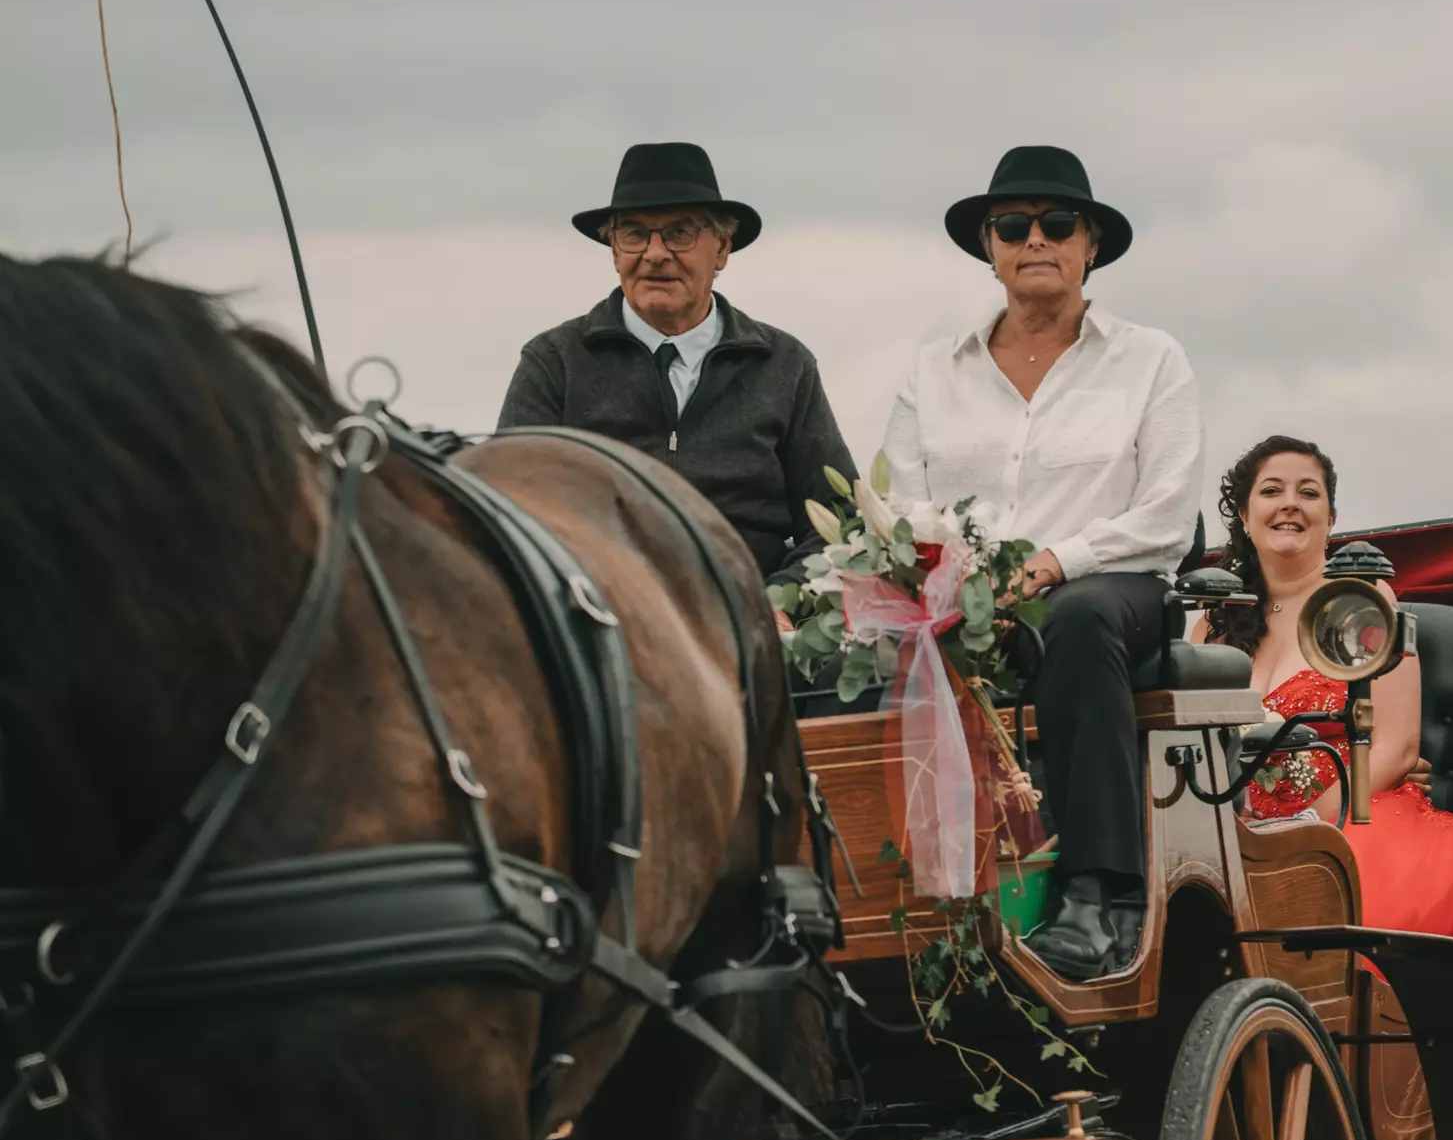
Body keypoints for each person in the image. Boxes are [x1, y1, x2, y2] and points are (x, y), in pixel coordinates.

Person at [883, 145, 1204, 981]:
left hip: (1114, 586)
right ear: (988, 248)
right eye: (1013, 226)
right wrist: (962, 573)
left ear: (1090, 244)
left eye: (1057, 224)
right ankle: (889, 900)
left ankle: (1100, 895)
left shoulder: (1151, 360)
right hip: (963, 592)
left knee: (1079, 617)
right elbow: (901, 499)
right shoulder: (931, 370)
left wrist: (1064, 560)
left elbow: (1166, 514)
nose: (1036, 239)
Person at [498, 141, 855, 615]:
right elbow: (509, 507)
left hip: (759, 629)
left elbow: (841, 519)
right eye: (634, 234)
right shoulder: (555, 362)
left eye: (679, 233)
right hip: (597, 624)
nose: (655, 253)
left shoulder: (784, 365)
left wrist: (778, 602)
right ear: (613, 249)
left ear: (723, 248)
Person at [1193, 435, 1453, 944]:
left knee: (1345, 915)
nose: (1290, 502)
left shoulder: (1364, 600)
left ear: (1330, 518)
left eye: (1309, 493)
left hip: (1351, 812)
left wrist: (1306, 821)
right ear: (1244, 515)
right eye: (1271, 491)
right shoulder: (1214, 619)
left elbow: (1397, 746)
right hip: (1230, 823)